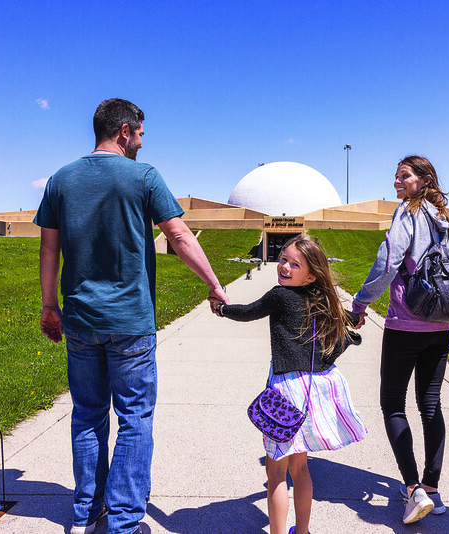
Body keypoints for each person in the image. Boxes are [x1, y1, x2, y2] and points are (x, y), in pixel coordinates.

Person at [34, 98, 228, 534]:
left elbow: (49, 248)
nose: (142, 141)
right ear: (124, 131)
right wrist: (213, 284)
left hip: (81, 319)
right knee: (135, 417)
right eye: (139, 133)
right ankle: (124, 520)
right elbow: (178, 235)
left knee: (87, 414)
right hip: (130, 322)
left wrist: (50, 306)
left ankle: (87, 509)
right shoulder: (145, 176)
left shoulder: (60, 180)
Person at [351, 155, 449, 524]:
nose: (397, 181)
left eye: (405, 175)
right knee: (431, 405)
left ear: (423, 179)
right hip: (441, 325)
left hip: (406, 325)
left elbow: (388, 261)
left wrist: (361, 302)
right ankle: (432, 488)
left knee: (393, 404)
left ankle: (413, 489)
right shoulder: (443, 218)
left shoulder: (408, 212)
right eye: (396, 175)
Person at [211, 236, 367, 534]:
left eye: (295, 264)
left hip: (286, 391)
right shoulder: (323, 297)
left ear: (311, 274)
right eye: (283, 259)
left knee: (277, 473)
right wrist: (355, 317)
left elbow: (247, 312)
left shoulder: (280, 296)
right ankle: (303, 531)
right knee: (301, 468)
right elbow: (346, 319)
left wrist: (220, 309)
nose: (284, 266)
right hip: (312, 391)